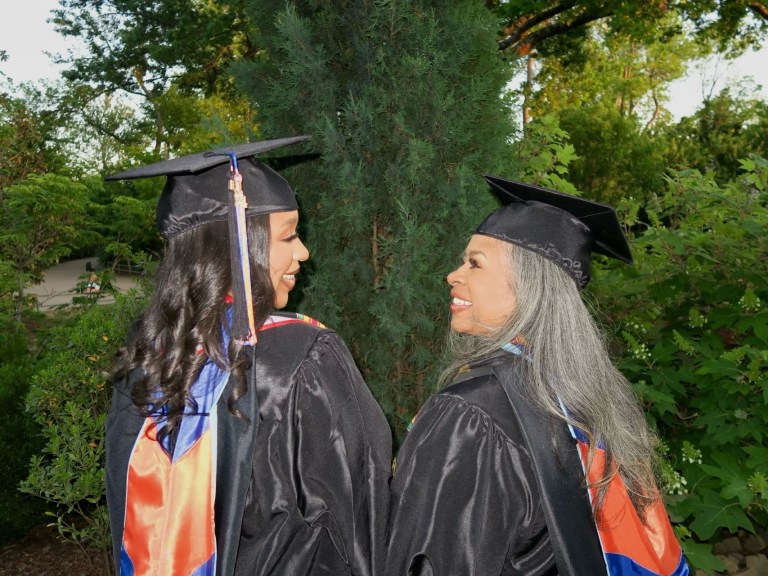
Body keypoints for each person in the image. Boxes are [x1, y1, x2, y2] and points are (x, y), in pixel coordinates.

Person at [105, 136, 392, 576]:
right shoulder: (302, 358)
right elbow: (356, 516)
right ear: (239, 242)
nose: (303, 253)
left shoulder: (149, 359)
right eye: (289, 235)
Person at [386, 176, 689, 576]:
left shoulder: (471, 415)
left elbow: (428, 561)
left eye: (474, 263)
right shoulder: (583, 397)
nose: (453, 275)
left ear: (529, 287)